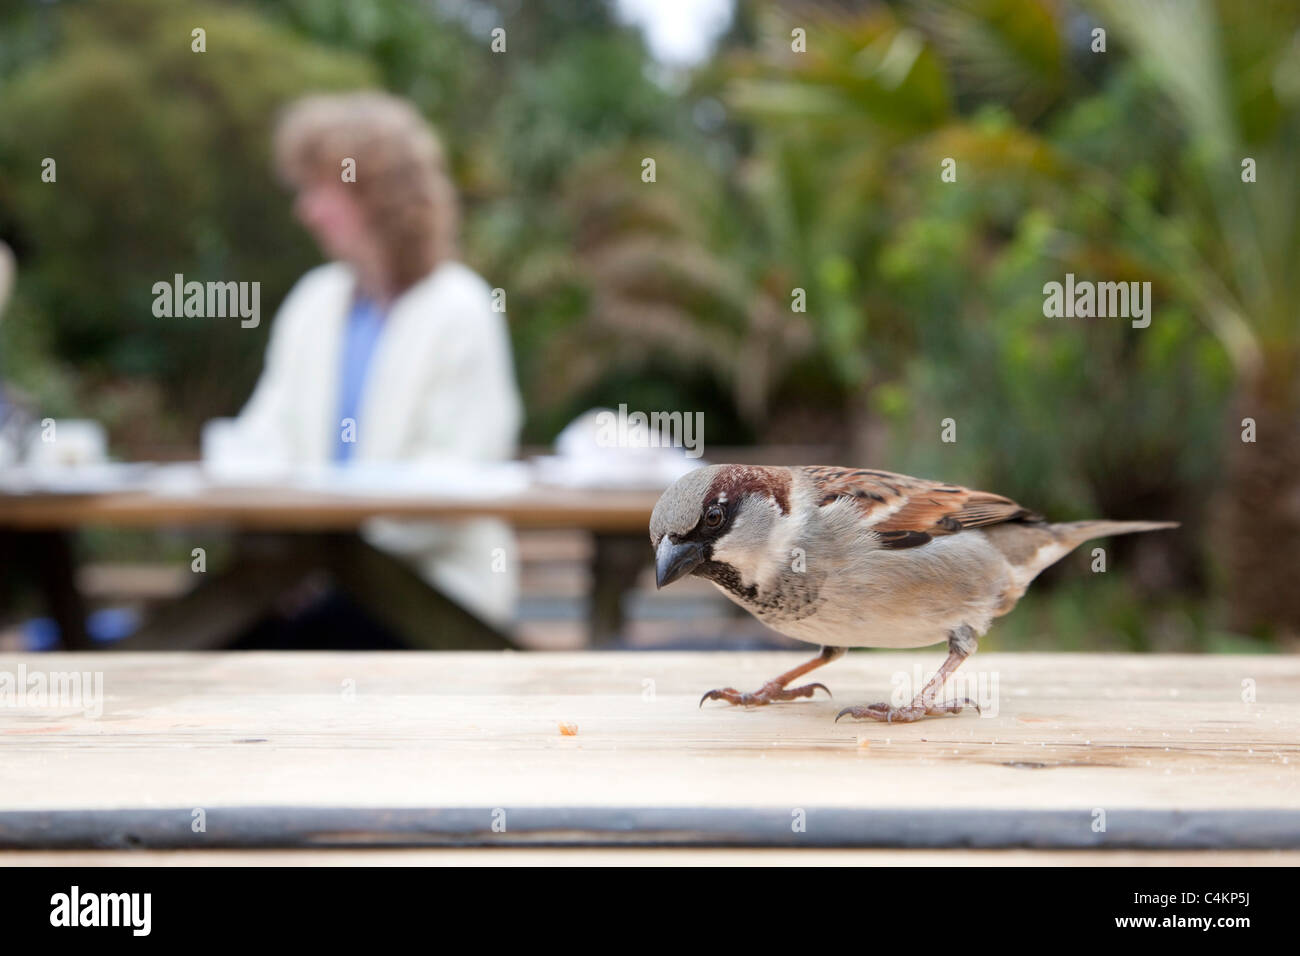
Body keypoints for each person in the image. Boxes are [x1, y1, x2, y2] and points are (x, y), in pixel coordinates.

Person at [222, 92, 523, 637]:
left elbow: (460, 471)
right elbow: (261, 438)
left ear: (376, 193)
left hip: (435, 595)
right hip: (312, 584)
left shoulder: (462, 306)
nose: (305, 210)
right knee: (230, 642)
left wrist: (334, 547)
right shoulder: (314, 301)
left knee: (256, 645)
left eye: (319, 189)